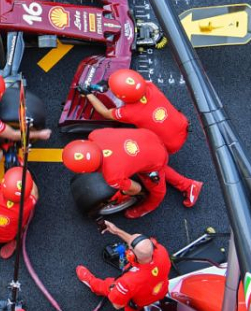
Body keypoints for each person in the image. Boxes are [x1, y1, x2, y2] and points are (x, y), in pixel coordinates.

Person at [79, 68, 202, 207]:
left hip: (164, 142)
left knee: (156, 176)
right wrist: (112, 83)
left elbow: (105, 113)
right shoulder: (150, 86)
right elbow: (134, 83)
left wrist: (88, 94)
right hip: (179, 126)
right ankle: (187, 184)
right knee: (153, 159)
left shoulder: (129, 112)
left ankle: (186, 186)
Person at [62, 128, 170, 219]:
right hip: (148, 135)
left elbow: (136, 189)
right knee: (148, 166)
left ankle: (146, 209)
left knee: (158, 192)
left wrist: (122, 194)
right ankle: (181, 182)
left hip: (158, 159)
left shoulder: (112, 176)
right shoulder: (95, 134)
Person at [76, 220, 171, 311]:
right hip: (161, 291)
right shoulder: (161, 251)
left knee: (107, 286)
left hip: (136, 300)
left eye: (129, 249)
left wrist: (114, 290)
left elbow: (117, 305)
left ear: (130, 255)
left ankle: (91, 283)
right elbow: (137, 244)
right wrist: (116, 231)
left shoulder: (126, 282)